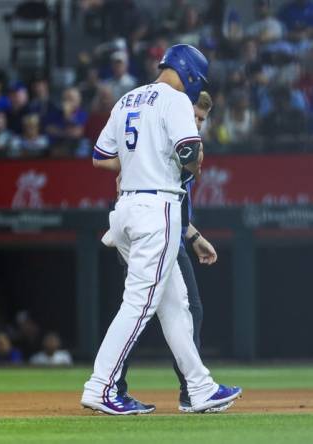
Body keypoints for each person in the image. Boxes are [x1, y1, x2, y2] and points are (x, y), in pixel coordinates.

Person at [82, 44, 241, 415]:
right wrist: (192, 164)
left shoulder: (127, 99)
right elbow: (189, 151)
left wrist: (139, 161)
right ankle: (101, 386)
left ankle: (200, 388)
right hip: (156, 209)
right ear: (190, 74)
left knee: (175, 304)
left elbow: (101, 157)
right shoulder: (175, 100)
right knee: (140, 304)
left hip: (127, 208)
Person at [112, 91, 228, 413]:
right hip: (150, 235)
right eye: (194, 115)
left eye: (202, 119)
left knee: (175, 310)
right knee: (144, 312)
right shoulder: (163, 144)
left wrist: (193, 236)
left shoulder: (183, 148)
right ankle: (115, 386)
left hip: (169, 236)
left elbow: (176, 205)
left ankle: (191, 390)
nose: (197, 123)